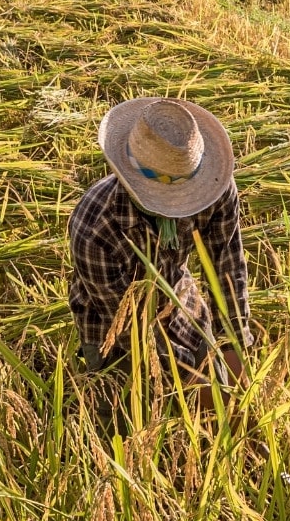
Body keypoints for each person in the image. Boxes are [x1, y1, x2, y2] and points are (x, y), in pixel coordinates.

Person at [68, 96, 252, 401]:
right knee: (129, 426)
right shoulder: (96, 225)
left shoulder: (214, 189)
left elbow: (227, 268)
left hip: (181, 302)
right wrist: (193, 385)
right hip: (112, 329)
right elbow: (130, 329)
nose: (179, 207)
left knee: (224, 401)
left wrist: (234, 347)